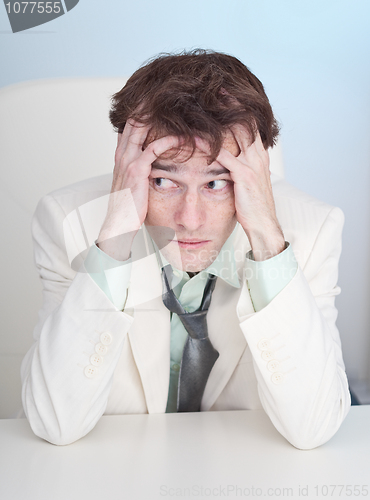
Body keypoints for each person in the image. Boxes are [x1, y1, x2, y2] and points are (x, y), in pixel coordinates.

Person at [21, 49, 350, 448]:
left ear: (256, 174)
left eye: (216, 183)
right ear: (128, 167)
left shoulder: (312, 231)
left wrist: (267, 239)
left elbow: (312, 428)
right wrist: (113, 241)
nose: (189, 219)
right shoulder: (67, 222)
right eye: (164, 182)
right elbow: (56, 423)